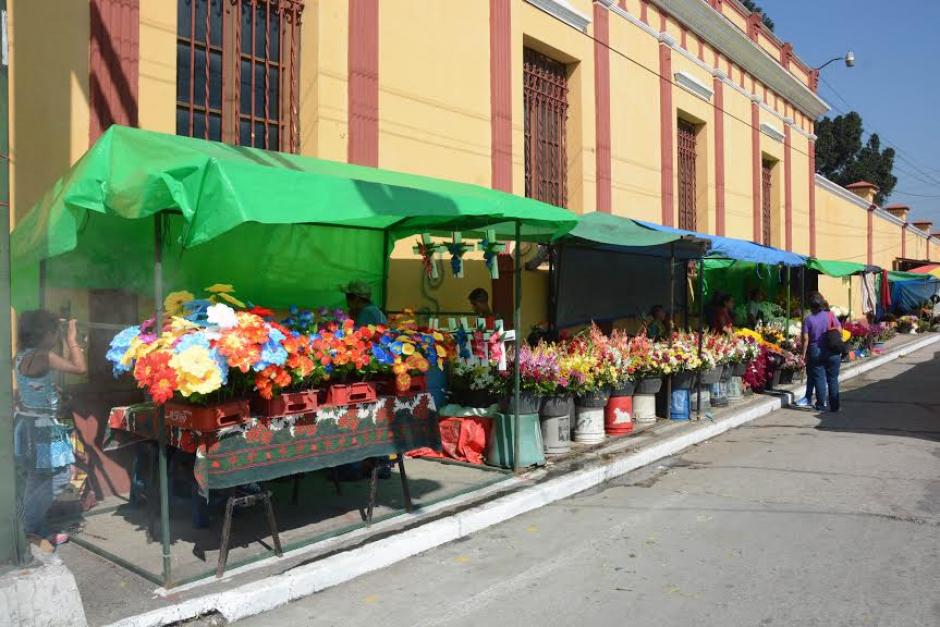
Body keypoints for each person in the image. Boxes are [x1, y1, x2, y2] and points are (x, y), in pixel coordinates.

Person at [14, 311, 86, 547]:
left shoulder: (22, 355)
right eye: (55, 332)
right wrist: (73, 338)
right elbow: (79, 368)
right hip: (41, 428)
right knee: (61, 475)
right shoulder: (44, 356)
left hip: (27, 424)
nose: (57, 337)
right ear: (45, 334)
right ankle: (28, 527)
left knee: (36, 478)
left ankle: (32, 526)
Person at [794, 292, 841, 412]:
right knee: (833, 379)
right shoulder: (830, 315)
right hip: (832, 350)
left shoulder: (808, 319)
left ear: (810, 306)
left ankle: (821, 405)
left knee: (819, 377)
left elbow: (805, 339)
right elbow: (840, 331)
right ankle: (835, 407)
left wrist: (803, 355)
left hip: (816, 351)